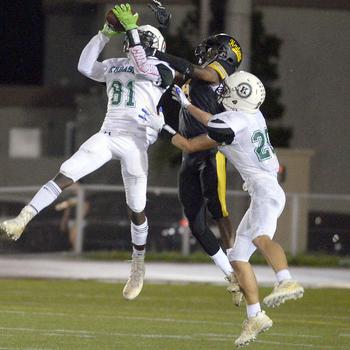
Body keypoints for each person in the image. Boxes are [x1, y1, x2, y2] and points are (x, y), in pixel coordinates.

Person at [0, 4, 174, 301]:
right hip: (108, 134)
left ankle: (138, 265)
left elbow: (145, 66)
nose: (133, 46)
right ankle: (24, 216)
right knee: (66, 173)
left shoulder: (162, 69)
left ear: (152, 47)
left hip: (135, 142)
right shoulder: (117, 63)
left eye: (140, 42)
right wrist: (103, 35)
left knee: (137, 208)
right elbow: (84, 66)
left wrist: (132, 30)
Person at [139, 71, 304, 347]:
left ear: (239, 96)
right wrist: (187, 105)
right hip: (265, 189)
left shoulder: (234, 124)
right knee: (238, 257)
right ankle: (256, 315)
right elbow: (214, 121)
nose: (223, 94)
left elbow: (191, 144)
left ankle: (286, 280)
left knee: (260, 238)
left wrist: (163, 127)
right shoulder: (251, 116)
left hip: (265, 191)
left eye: (229, 91)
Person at [147, 1, 242, 298]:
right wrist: (161, 34)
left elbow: (200, 73)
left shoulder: (216, 75)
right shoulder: (195, 77)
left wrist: (160, 51)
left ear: (224, 55)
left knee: (220, 212)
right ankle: (230, 275)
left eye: (214, 51)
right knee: (196, 222)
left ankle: (241, 268)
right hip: (190, 154)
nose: (208, 54)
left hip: (211, 151)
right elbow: (168, 70)